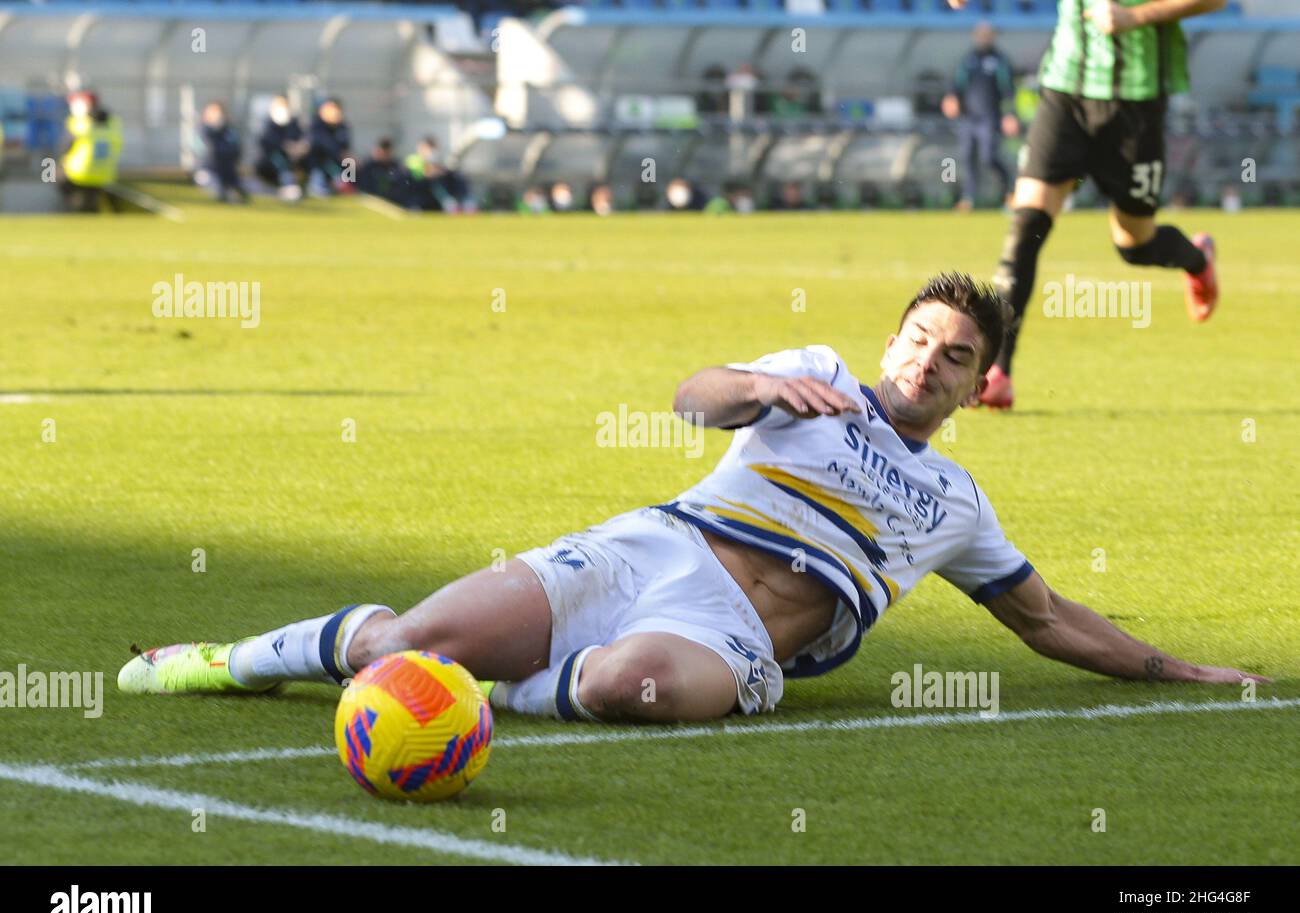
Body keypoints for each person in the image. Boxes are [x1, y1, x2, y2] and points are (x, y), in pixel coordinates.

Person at [119, 272, 1265, 721]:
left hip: (723, 631)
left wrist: (1174, 666)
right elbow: (691, 394)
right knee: (410, 644)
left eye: (954, 355)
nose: (926, 361)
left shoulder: (957, 502)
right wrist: (754, 383)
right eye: (917, 340)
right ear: (888, 342)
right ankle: (228, 657)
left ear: (979, 383)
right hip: (649, 551)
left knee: (642, 688)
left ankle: (490, 701)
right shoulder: (814, 377)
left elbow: (1046, 618)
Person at [947, 0, 1223, 409]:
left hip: (1136, 102)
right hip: (1065, 94)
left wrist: (1134, 17)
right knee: (1026, 226)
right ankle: (999, 371)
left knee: (1135, 245)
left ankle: (1196, 260)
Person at [942, 21, 1018, 212]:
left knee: (989, 157)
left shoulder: (1000, 60)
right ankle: (969, 199)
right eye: (980, 34)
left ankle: (1009, 193)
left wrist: (1009, 114)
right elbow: (957, 83)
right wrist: (951, 98)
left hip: (990, 117)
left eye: (987, 34)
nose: (983, 38)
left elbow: (1008, 89)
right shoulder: (969, 59)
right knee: (968, 157)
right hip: (969, 118)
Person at [59, 102, 123, 213]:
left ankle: (68, 204)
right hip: (104, 175)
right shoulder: (114, 133)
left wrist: (62, 160)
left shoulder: (82, 129)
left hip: (79, 173)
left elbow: (65, 147)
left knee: (54, 174)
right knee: (92, 195)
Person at [255, 95, 310, 202]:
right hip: (270, 161)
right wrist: (285, 146)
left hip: (293, 158)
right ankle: (287, 185)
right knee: (278, 159)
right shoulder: (266, 123)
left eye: (284, 104)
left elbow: (302, 138)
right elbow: (266, 142)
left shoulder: (294, 123)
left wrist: (300, 147)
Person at [195, 101, 247, 203]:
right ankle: (226, 194)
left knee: (242, 187)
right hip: (207, 171)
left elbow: (236, 150)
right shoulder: (201, 130)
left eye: (219, 112)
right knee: (217, 188)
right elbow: (209, 152)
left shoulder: (229, 131)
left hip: (227, 171)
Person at [404, 136, 471, 212]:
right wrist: (431, 173)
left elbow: (442, 172)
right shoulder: (413, 159)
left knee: (455, 178)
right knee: (435, 185)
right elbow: (417, 176)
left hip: (431, 189)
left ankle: (462, 203)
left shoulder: (434, 160)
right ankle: (450, 204)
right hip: (418, 188)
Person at [307, 98, 352, 197]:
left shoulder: (343, 127)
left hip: (337, 164)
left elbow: (345, 148)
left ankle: (347, 184)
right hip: (319, 164)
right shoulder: (316, 126)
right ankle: (318, 184)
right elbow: (323, 145)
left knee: (350, 162)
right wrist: (339, 152)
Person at [356, 138, 414, 208]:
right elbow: (364, 187)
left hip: (393, 202)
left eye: (388, 153)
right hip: (373, 201)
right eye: (384, 153)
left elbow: (403, 186)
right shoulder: (369, 167)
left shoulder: (396, 167)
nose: (386, 156)